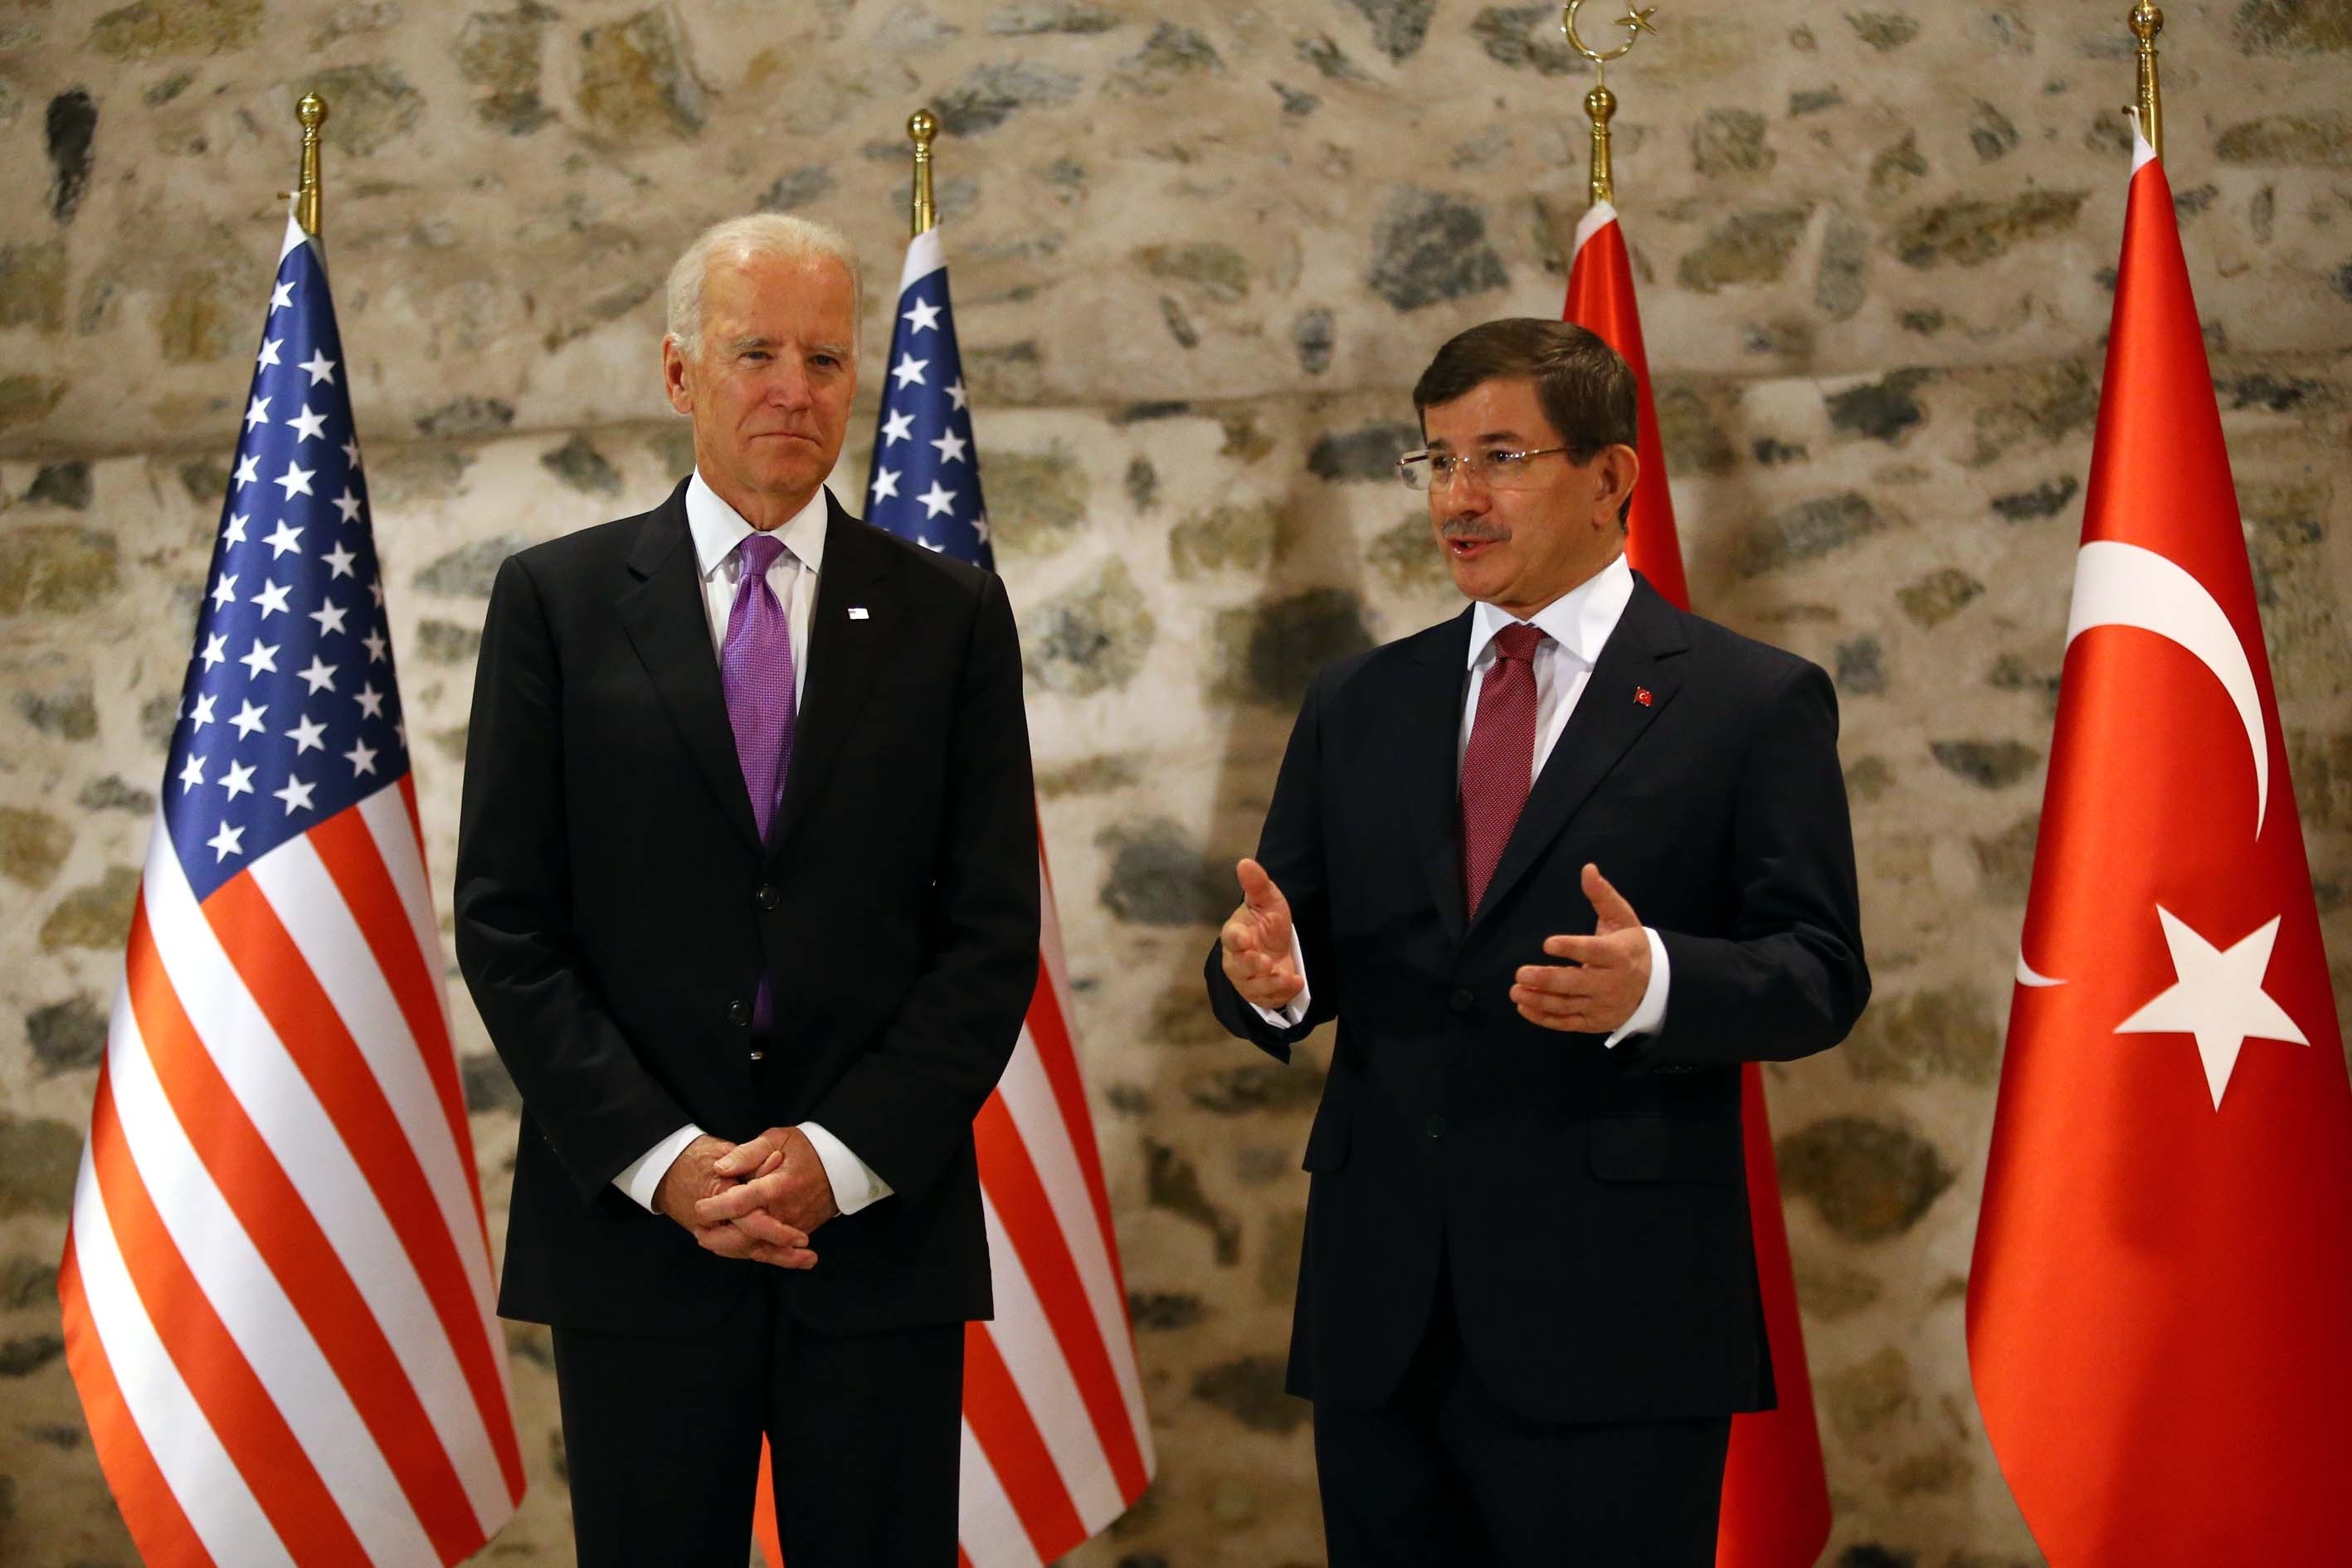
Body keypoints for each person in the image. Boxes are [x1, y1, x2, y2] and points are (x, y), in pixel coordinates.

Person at [1204, 318, 1869, 1566]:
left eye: (1501, 458)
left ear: (1611, 476)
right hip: (1383, 1313)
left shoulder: (1748, 701)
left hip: (1617, 1321)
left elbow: (1821, 971)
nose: (1458, 498)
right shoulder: (1359, 701)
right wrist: (1267, 981)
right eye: (1437, 460)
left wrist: (1660, 980)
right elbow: (1283, 942)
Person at [454, 213, 1038, 1568]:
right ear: (679, 373)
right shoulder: (557, 602)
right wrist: (665, 1162)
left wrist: (842, 1156)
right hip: (638, 1239)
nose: (794, 388)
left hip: (874, 1235)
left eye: (825, 359)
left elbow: (990, 932)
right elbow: (507, 922)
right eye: (755, 352)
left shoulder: (952, 615)